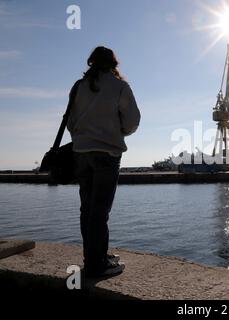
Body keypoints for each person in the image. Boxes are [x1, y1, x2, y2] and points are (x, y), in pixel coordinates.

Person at [67, 46, 141, 277]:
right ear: (113, 64)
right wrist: (115, 131)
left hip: (81, 154)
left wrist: (83, 137)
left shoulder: (79, 87)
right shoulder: (119, 87)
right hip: (107, 155)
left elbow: (70, 122)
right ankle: (96, 265)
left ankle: (94, 255)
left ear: (91, 62)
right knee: (100, 211)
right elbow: (132, 121)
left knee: (87, 208)